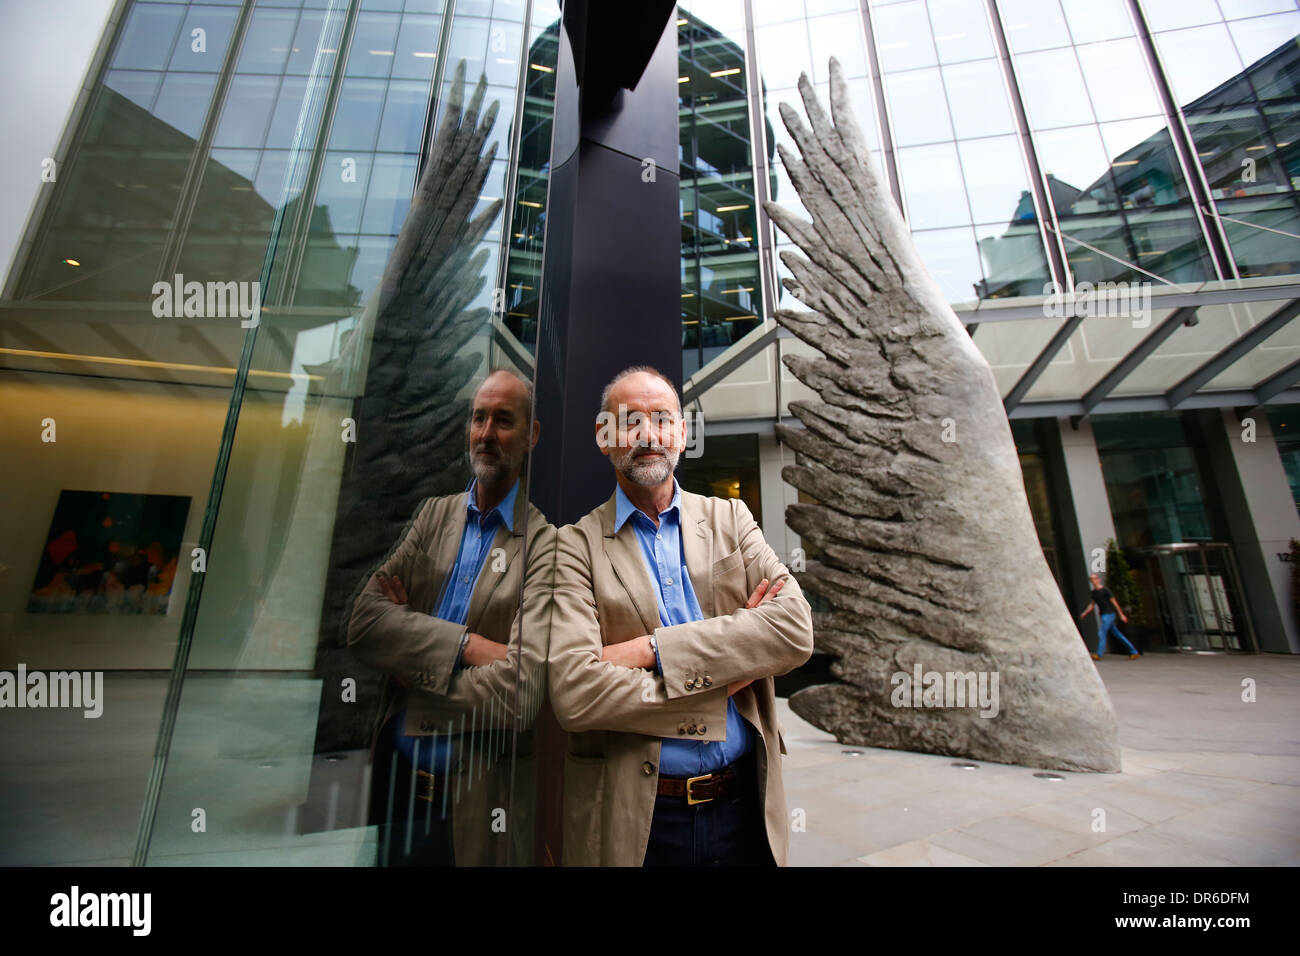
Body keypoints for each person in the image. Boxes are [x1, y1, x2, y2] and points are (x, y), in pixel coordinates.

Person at [547, 366, 814, 866]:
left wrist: (650, 650)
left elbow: (795, 629)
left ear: (683, 433)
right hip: (639, 822)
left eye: (663, 420)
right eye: (630, 422)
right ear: (603, 437)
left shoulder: (730, 520)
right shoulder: (571, 548)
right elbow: (574, 694)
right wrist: (730, 673)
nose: (649, 436)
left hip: (744, 806)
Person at [346, 368, 555, 866]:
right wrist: (467, 648)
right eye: (478, 418)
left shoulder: (547, 544)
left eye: (503, 421)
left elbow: (523, 693)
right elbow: (364, 622)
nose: (485, 434)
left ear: (532, 435)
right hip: (395, 780)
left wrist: (413, 659)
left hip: (476, 798)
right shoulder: (432, 516)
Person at [1078, 572, 1140, 661]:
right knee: (1118, 634)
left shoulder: (1105, 590)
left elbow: (1114, 602)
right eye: (1091, 579)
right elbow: (1092, 605)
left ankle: (1099, 654)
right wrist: (1085, 613)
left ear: (1098, 580)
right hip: (1103, 614)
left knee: (1102, 632)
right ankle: (1134, 652)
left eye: (1094, 578)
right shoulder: (1094, 593)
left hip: (1109, 614)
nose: (1093, 580)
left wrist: (1121, 614)